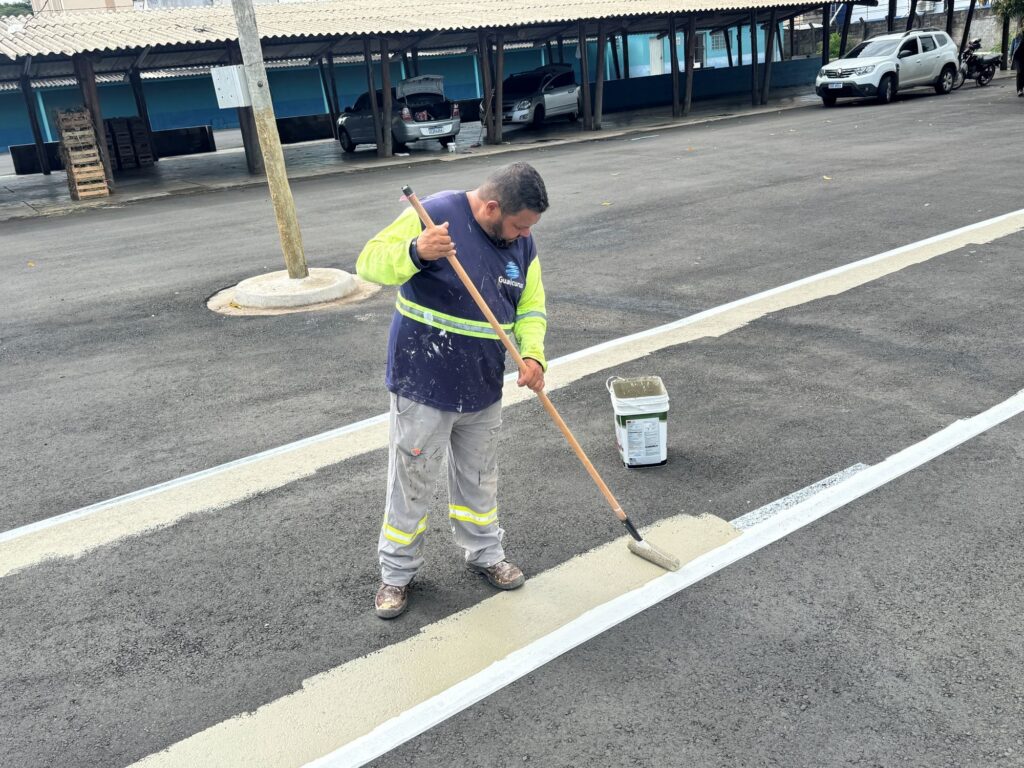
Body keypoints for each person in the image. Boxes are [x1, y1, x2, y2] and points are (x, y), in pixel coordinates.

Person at [356, 162, 549, 619]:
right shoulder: (435, 215)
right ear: (492, 207)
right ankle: (396, 575)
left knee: (479, 479)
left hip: (483, 384)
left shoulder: (522, 244)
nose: (523, 236)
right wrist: (416, 251)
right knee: (412, 483)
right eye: (519, 225)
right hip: (423, 382)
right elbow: (369, 263)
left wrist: (534, 356)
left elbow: (532, 305)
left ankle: (486, 554)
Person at [1013, 29, 1024, 97]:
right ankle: (1019, 90)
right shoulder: (1021, 40)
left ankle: (1021, 89)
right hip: (1018, 58)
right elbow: (1016, 51)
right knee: (1020, 73)